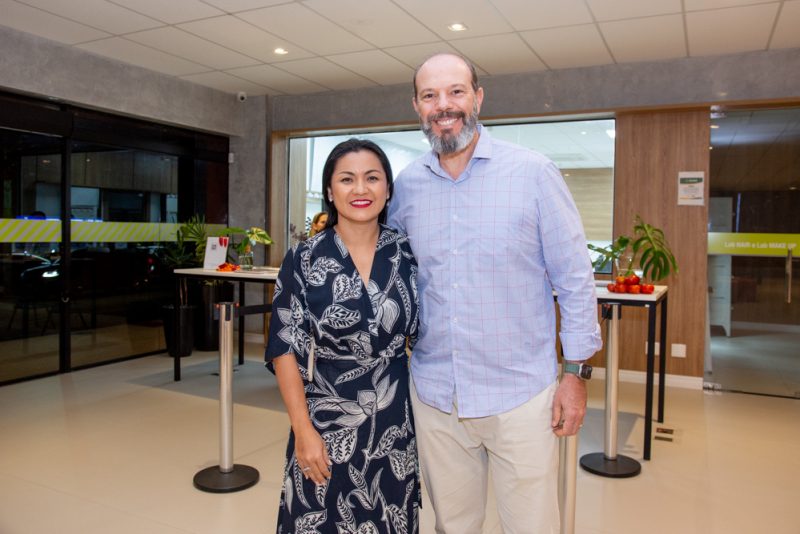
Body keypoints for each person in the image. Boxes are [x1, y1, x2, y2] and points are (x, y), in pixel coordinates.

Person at [387, 53, 603, 533]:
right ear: (417, 107)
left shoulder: (533, 173)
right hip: (437, 394)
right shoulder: (407, 187)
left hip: (521, 396)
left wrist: (576, 373)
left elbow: (574, 277)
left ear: (478, 98)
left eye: (456, 92)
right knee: (454, 526)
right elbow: (390, 272)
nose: (444, 106)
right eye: (430, 95)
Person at [266, 138, 421, 534]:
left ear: (388, 189)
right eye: (347, 179)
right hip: (327, 417)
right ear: (330, 192)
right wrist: (303, 430)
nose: (361, 189)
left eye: (372, 178)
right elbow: (284, 347)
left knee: (390, 519)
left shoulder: (407, 253)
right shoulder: (304, 258)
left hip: (395, 420)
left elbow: (426, 334)